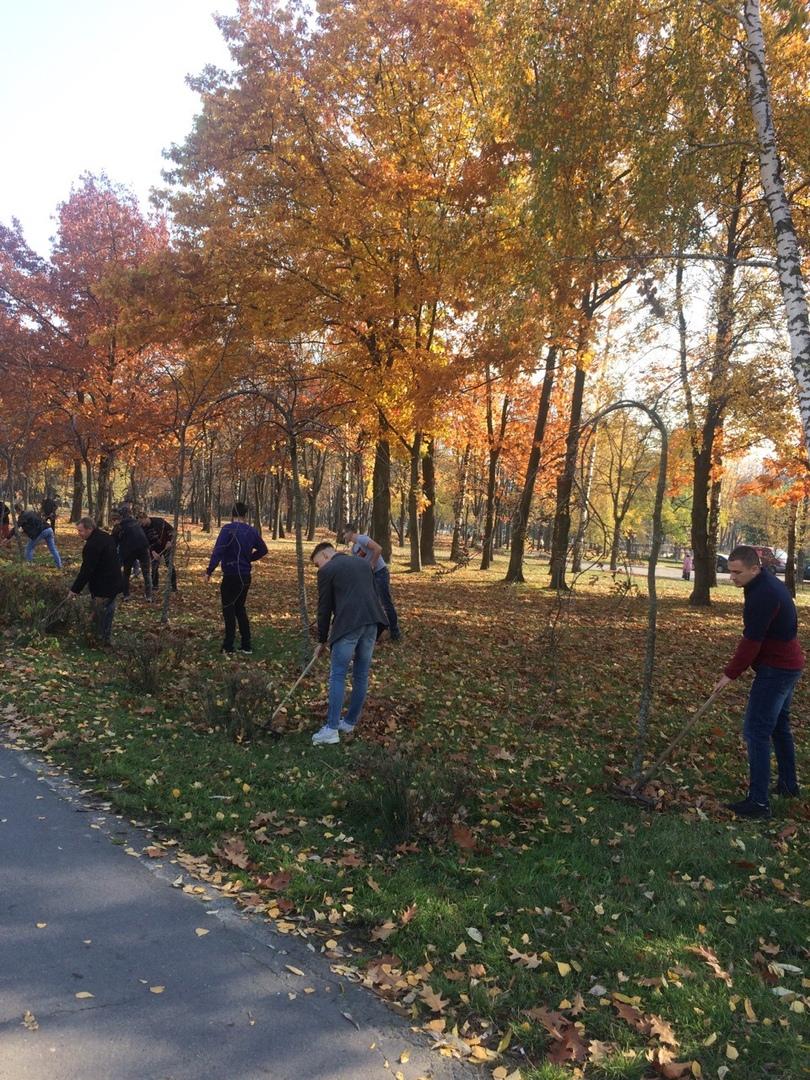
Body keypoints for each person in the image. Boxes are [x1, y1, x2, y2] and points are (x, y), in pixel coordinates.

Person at [712, 545, 805, 818]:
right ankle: (788, 786)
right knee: (778, 727)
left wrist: (730, 674)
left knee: (756, 730)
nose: (732, 578)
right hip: (788, 664)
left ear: (755, 568)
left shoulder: (764, 594)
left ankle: (759, 803)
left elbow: (752, 641)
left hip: (778, 670)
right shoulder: (763, 584)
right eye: (730, 571)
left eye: (737, 572)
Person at [310, 540, 388, 745]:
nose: (319, 568)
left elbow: (324, 608)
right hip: (372, 622)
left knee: (338, 673)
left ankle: (332, 729)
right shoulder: (363, 563)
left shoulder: (327, 571)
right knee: (361, 674)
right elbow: (370, 594)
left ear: (326, 556)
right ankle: (350, 722)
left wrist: (321, 640)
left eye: (318, 563)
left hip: (350, 625)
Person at [206, 502, 267, 655]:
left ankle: (228, 646)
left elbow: (218, 550)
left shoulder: (228, 529)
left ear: (232, 514)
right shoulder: (251, 531)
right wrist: (249, 559)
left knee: (229, 609)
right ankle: (246, 645)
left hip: (231, 575)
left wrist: (209, 571)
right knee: (240, 608)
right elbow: (263, 549)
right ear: (245, 515)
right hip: (245, 576)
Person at [67, 517, 125, 645]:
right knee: (108, 610)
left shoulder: (92, 545)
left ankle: (98, 639)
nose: (79, 534)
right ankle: (105, 638)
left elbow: (87, 570)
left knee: (99, 613)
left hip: (105, 585)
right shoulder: (105, 537)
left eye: (81, 531)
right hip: (115, 582)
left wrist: (74, 590)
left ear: (90, 529)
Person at [342, 522, 400, 641]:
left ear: (350, 532)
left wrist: (372, 564)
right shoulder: (353, 549)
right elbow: (360, 564)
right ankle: (379, 631)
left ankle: (395, 632)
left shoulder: (362, 539)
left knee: (386, 603)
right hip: (371, 576)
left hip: (381, 573)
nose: (343, 536)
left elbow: (378, 548)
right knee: (373, 603)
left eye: (344, 533)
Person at [111, 510, 152, 600]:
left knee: (126, 573)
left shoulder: (118, 527)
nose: (113, 523)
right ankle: (149, 596)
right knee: (146, 573)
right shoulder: (135, 522)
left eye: (113, 521)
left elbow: (113, 543)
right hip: (144, 548)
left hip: (129, 551)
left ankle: (126, 595)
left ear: (117, 520)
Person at [138, 511, 177, 592]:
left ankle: (174, 587)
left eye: (141, 522)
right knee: (154, 567)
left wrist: (170, 541)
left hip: (166, 547)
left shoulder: (159, 521)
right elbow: (145, 543)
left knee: (169, 565)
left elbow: (172, 531)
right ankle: (155, 587)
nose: (141, 524)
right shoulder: (142, 529)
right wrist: (152, 552)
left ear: (145, 518)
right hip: (154, 549)